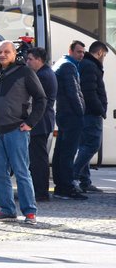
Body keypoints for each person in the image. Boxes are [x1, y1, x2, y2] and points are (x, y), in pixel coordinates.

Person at [0, 41, 47, 225]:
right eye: (0, 52)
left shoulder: (25, 72)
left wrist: (30, 123)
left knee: (22, 172)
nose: (2, 54)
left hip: (16, 129)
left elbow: (41, 99)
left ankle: (30, 212)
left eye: (7, 51)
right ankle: (7, 209)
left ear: (15, 54)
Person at [52, 40, 87, 200]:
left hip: (63, 113)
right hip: (71, 115)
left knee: (61, 151)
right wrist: (81, 113)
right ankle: (66, 187)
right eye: (79, 52)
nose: (81, 55)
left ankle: (61, 186)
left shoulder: (62, 63)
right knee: (68, 153)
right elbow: (74, 93)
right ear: (71, 50)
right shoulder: (69, 66)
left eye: (82, 52)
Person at [74, 40, 108, 193]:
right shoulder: (90, 66)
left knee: (83, 146)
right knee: (92, 145)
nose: (103, 58)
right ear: (100, 52)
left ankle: (85, 181)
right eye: (104, 55)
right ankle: (72, 175)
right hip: (91, 113)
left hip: (85, 112)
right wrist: (100, 109)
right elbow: (90, 92)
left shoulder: (86, 64)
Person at [25, 47, 58, 202]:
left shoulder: (43, 75)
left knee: (38, 160)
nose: (27, 61)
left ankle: (41, 193)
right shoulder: (44, 73)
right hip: (42, 122)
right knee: (38, 158)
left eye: (30, 59)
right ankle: (39, 191)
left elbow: (39, 101)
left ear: (39, 59)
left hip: (40, 123)